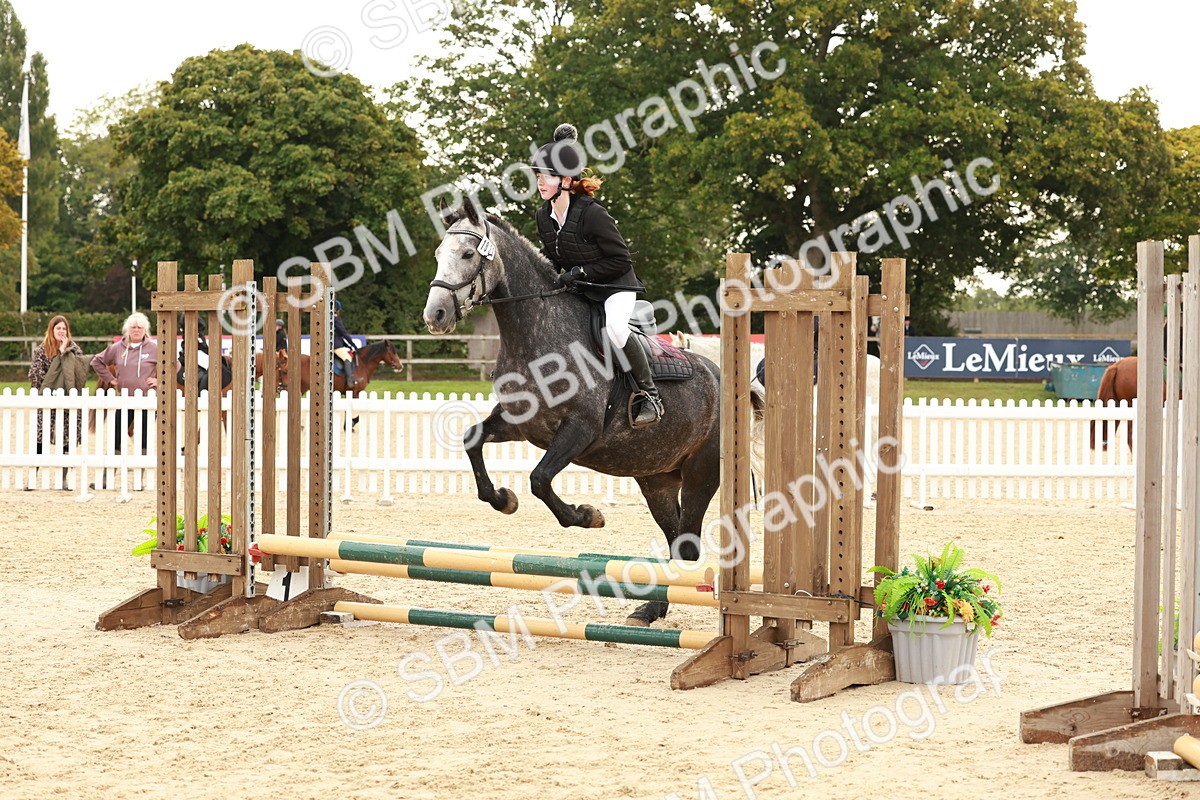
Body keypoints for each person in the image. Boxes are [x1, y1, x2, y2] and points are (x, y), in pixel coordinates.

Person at [530, 122, 663, 427]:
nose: (540, 181)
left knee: (616, 329)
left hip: (616, 286)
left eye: (546, 175)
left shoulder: (592, 213)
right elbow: (552, 257)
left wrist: (580, 271)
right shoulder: (543, 216)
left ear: (565, 180)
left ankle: (650, 394)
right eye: (538, 176)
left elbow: (620, 259)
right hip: (584, 288)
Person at [92, 312, 158, 456]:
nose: (136, 330)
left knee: (143, 441)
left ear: (145, 330)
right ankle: (107, 475)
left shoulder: (154, 349)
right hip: (124, 400)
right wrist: (111, 379)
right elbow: (97, 361)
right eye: (133, 327)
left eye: (140, 327)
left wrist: (160, 381)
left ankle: (141, 474)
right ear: (127, 329)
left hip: (147, 400)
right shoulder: (118, 348)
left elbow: (174, 366)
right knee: (116, 439)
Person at [29, 315, 90, 458]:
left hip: (70, 398)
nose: (61, 331)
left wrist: (64, 352)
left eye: (64, 328)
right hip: (47, 398)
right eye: (58, 328)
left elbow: (80, 373)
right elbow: (35, 375)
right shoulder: (41, 351)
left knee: (69, 436)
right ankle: (36, 472)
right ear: (51, 330)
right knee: (41, 436)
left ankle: (63, 477)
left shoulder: (75, 350)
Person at [333, 301, 359, 389]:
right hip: (336, 346)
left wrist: (348, 346)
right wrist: (353, 344)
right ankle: (350, 380)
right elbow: (344, 333)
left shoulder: (330, 319)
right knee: (347, 358)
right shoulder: (336, 320)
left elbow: (338, 336)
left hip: (336, 344)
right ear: (336, 310)